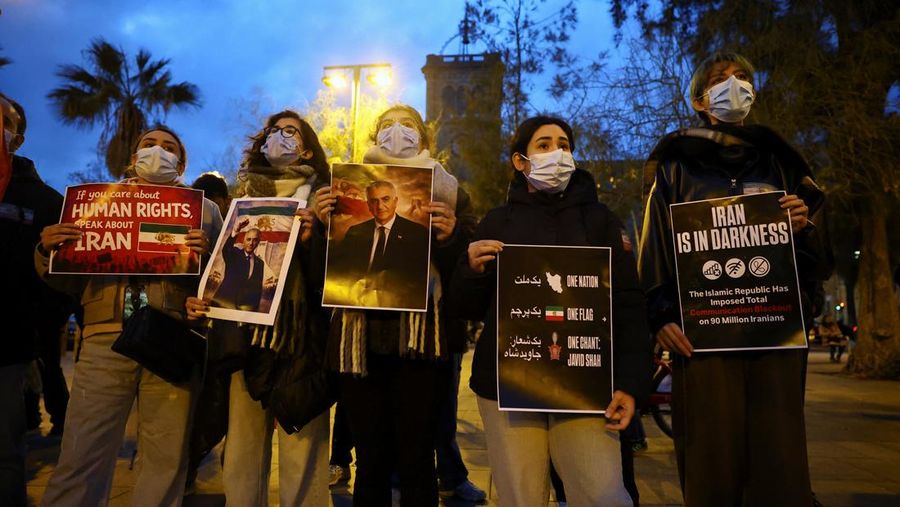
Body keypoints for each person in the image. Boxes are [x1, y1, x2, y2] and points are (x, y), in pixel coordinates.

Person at [637, 52, 831, 506]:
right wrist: (661, 314)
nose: (734, 85)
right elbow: (655, 247)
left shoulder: (783, 164)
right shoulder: (674, 167)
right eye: (721, 80)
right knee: (712, 461)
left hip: (775, 336)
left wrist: (805, 229)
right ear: (701, 100)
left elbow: (819, 263)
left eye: (742, 77)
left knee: (778, 462)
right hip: (704, 342)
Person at [448, 115, 650, 506]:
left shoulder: (602, 222)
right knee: (521, 496)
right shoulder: (497, 221)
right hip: (508, 388)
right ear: (520, 161)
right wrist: (469, 269)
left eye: (564, 144)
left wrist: (631, 383)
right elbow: (467, 308)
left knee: (601, 493)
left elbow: (627, 305)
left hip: (587, 388)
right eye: (544, 145)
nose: (556, 152)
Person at [36, 125, 221, 506]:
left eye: (169, 147)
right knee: (82, 451)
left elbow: (224, 280)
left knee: (166, 458)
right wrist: (47, 250)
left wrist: (205, 267)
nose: (159, 151)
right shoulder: (97, 205)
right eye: (149, 145)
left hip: (171, 338)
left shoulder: (204, 210)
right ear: (133, 157)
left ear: (181, 163)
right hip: (105, 337)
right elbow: (66, 284)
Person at [313, 104, 476, 506]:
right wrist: (321, 227)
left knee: (418, 456)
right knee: (371, 459)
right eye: (387, 126)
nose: (397, 132)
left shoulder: (452, 193)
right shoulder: (345, 204)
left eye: (407, 126)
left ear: (423, 138)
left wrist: (452, 235)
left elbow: (468, 272)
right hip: (359, 345)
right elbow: (323, 274)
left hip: (421, 347)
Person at [186, 109, 332, 506]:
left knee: (303, 451)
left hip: (301, 341)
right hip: (244, 339)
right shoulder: (241, 200)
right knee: (243, 452)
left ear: (307, 152)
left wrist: (313, 237)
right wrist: (206, 298)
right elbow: (224, 267)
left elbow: (339, 279)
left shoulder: (328, 200)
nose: (280, 137)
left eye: (291, 132)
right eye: (274, 131)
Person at [0, 92, 67, 506]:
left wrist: (38, 329)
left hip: (7, 343)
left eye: (3, 120)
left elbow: (58, 279)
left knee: (5, 452)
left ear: (17, 136)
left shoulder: (44, 200)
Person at [330, 179, 429, 308]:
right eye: (374, 201)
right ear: (369, 205)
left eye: (385, 199)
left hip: (399, 305)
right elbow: (341, 271)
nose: (380, 206)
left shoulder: (417, 233)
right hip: (356, 303)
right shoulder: (355, 232)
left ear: (395, 202)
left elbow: (418, 280)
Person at [211, 220, 266, 311]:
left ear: (258, 242)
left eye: (255, 240)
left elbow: (257, 288)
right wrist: (236, 231)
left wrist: (255, 311)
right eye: (248, 239)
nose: (251, 243)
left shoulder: (260, 263)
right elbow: (226, 249)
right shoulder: (234, 254)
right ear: (243, 240)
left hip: (242, 310)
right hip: (223, 304)